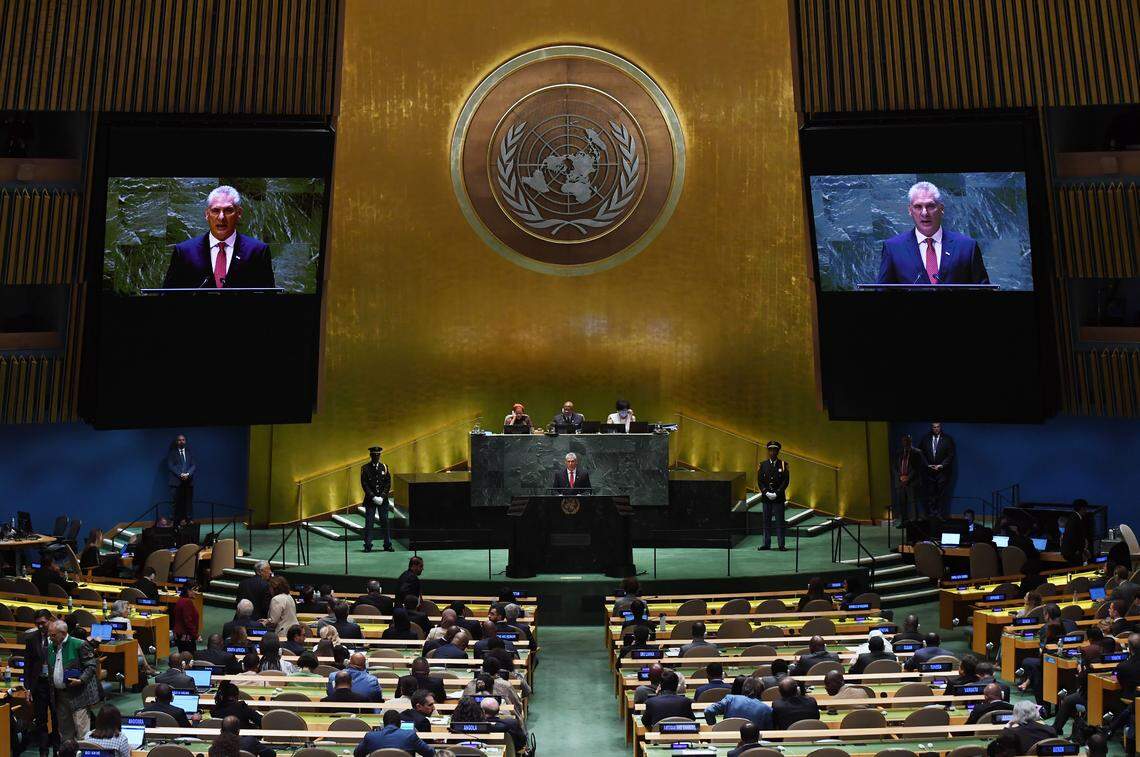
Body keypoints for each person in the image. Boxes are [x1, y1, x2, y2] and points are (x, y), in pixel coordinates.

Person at [875, 181, 989, 286]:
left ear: (941, 209)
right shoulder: (893, 248)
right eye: (918, 207)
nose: (924, 213)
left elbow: (983, 288)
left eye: (930, 206)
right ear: (910, 210)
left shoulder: (967, 247)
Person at [163, 185, 275, 290]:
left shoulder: (258, 251)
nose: (221, 217)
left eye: (228, 210)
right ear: (207, 214)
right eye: (215, 210)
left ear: (239, 213)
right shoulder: (184, 252)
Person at [47, 618, 99, 740]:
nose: (50, 637)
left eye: (53, 635)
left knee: (82, 731)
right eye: (49, 635)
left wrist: (81, 680)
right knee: (65, 732)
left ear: (63, 633)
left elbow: (91, 666)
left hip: (79, 695)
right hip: (60, 696)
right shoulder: (50, 647)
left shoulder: (79, 644)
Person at [24, 609, 54, 757]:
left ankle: (57, 751)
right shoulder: (31, 638)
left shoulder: (58, 636)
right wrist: (28, 688)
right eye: (37, 624)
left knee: (56, 719)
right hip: (39, 685)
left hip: (55, 685)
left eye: (43, 623)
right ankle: (43, 753)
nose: (40, 626)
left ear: (50, 620)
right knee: (41, 721)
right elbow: (28, 665)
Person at [353, 709, 434, 757]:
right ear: (400, 724)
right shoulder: (410, 735)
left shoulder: (370, 736)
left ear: (384, 724)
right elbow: (430, 753)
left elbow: (357, 754)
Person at [359, 445, 393, 553]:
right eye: (374, 455)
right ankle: (368, 545)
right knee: (369, 523)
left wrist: (382, 496)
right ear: (370, 456)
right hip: (371, 500)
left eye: (378, 455)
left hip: (383, 500)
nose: (376, 457)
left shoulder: (384, 467)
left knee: (385, 522)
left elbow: (388, 483)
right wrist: (373, 497)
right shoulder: (365, 468)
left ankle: (387, 544)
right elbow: (364, 484)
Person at [757, 440, 790, 551]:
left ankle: (781, 544)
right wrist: (766, 492)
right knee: (766, 522)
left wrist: (776, 493)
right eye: (770, 450)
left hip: (778, 498)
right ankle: (766, 544)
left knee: (779, 522)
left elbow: (785, 481)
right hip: (766, 498)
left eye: (774, 450)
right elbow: (760, 481)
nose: (772, 452)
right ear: (768, 451)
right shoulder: (762, 465)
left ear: (778, 451)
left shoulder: (783, 465)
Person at [703, 676, 773, 728]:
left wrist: (714, 728)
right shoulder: (767, 709)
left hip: (726, 739)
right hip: (752, 743)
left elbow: (708, 711)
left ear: (743, 688)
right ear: (761, 691)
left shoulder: (730, 699)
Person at [918, 422, 955, 518]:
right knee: (930, 495)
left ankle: (939, 515)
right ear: (931, 427)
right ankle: (931, 515)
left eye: (938, 427)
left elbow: (950, 455)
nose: (936, 429)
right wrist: (927, 465)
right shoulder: (925, 439)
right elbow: (921, 454)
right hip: (929, 472)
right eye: (934, 427)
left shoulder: (947, 439)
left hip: (942, 473)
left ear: (940, 427)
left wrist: (941, 465)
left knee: (941, 495)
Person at [892, 433, 925, 525]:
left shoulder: (917, 452)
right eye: (904, 440)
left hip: (912, 482)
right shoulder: (898, 453)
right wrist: (900, 477)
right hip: (900, 482)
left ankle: (913, 523)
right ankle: (904, 522)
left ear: (911, 441)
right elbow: (894, 467)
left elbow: (917, 468)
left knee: (912, 503)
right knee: (902, 503)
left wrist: (908, 478)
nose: (905, 442)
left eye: (907, 440)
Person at [166, 435, 197, 524]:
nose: (181, 441)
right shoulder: (172, 453)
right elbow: (171, 466)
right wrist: (180, 474)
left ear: (185, 441)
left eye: (183, 440)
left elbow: (193, 465)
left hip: (188, 482)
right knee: (175, 503)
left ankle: (189, 520)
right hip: (176, 482)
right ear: (176, 442)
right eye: (179, 440)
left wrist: (188, 474)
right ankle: (174, 521)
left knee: (188, 503)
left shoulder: (189, 452)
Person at [172, 581, 200, 653]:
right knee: (189, 658)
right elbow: (188, 622)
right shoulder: (187, 602)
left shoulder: (180, 600)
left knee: (182, 657)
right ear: (189, 590)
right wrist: (196, 635)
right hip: (186, 636)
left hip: (179, 635)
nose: (197, 593)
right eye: (195, 590)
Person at [1060, 500, 1090, 565]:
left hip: (1071, 551)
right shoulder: (1075, 519)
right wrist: (1080, 551)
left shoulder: (1073, 517)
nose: (1086, 511)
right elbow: (1073, 537)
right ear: (1082, 508)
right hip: (1073, 552)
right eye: (1086, 508)